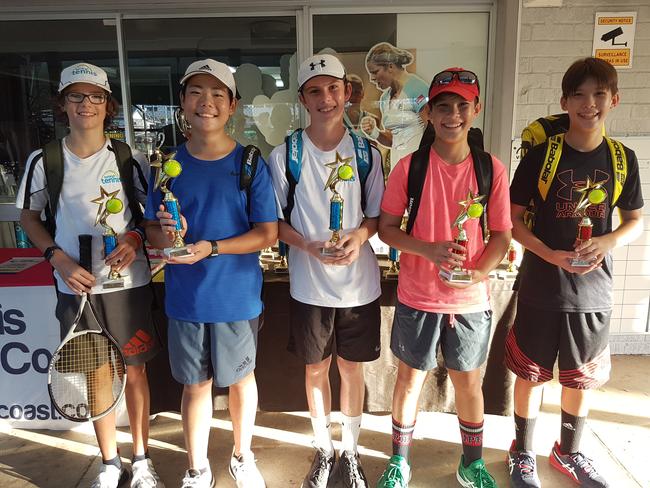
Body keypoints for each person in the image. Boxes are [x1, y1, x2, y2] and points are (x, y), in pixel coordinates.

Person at [17, 63, 164, 488]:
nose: (86, 105)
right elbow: (29, 217)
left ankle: (141, 460)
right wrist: (57, 258)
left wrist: (135, 240)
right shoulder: (44, 159)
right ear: (62, 104)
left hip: (128, 286)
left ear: (108, 105)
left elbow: (146, 218)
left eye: (95, 96)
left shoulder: (128, 158)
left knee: (134, 370)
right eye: (76, 97)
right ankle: (109, 462)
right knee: (96, 373)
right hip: (74, 286)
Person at [505, 57, 644, 488]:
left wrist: (607, 241)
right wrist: (549, 254)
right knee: (531, 374)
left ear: (614, 100)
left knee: (579, 379)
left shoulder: (624, 159)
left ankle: (568, 451)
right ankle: (523, 451)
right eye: (579, 95)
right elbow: (511, 222)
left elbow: (635, 219)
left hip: (593, 292)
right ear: (564, 102)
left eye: (599, 94)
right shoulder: (541, 158)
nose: (589, 104)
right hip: (541, 286)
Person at [143, 59, 278, 488]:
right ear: (182, 102)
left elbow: (267, 234)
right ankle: (197, 468)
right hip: (186, 298)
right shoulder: (167, 167)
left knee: (240, 381)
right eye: (196, 92)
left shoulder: (251, 163)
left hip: (236, 297)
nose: (207, 102)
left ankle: (242, 456)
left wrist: (212, 247)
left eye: (218, 94)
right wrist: (168, 238)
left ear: (233, 105)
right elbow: (151, 228)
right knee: (195, 386)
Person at [377, 67, 512, 488]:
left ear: (476, 110)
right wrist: (428, 250)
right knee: (408, 379)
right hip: (418, 295)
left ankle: (471, 463)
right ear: (429, 114)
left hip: (469, 301)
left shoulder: (491, 169)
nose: (452, 114)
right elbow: (386, 229)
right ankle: (399, 461)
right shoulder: (409, 168)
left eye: (461, 105)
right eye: (443, 107)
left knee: (469, 383)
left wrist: (476, 273)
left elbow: (503, 235)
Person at [267, 53, 384, 488]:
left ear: (347, 92)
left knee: (352, 370)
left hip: (360, 286)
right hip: (309, 286)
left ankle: (350, 453)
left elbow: (376, 217)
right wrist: (308, 246)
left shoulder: (367, 153)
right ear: (303, 99)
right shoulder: (286, 155)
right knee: (316, 370)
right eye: (315, 91)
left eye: (333, 88)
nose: (326, 98)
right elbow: (273, 222)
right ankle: (324, 448)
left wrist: (358, 237)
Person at [361, 42, 428, 167]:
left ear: (390, 67)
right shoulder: (385, 98)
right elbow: (394, 140)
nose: (371, 78)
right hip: (398, 168)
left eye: (375, 72)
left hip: (420, 168)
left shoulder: (418, 88)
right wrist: (374, 132)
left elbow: (433, 132)